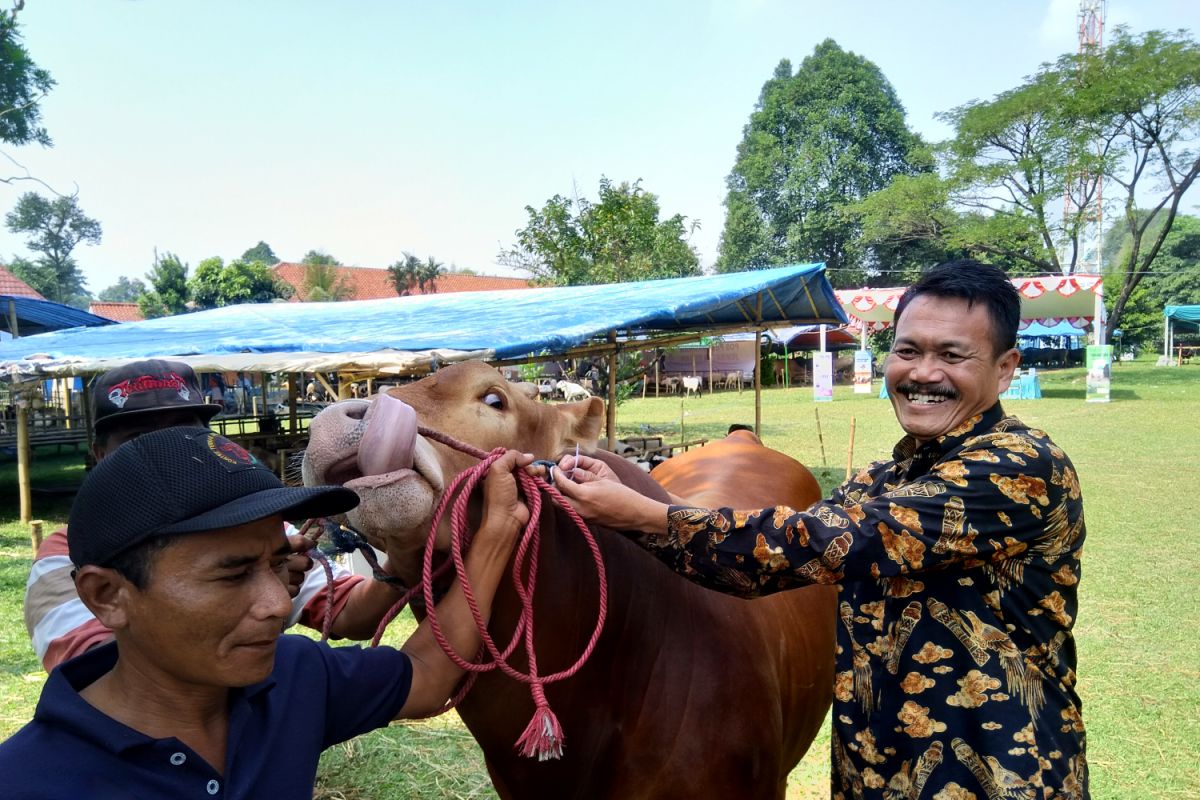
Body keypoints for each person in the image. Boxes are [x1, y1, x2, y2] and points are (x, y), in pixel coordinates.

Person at [550, 261, 1088, 798]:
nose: (923, 373)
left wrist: (642, 513)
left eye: (952, 355)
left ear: (1005, 367)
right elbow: (768, 555)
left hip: (997, 775)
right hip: (879, 771)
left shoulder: (1020, 467)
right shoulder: (888, 476)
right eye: (907, 351)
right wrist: (640, 497)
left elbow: (820, 544)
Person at [0, 426, 530, 798]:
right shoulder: (28, 783)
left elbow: (425, 676)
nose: (279, 605)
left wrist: (493, 537)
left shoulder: (291, 676)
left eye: (277, 564)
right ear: (107, 595)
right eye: (232, 574)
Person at [24, 359, 402, 672]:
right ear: (101, 454)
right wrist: (243, 590)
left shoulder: (257, 528)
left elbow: (352, 613)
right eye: (139, 439)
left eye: (184, 433)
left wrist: (407, 555)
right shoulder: (69, 555)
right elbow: (99, 675)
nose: (169, 454)